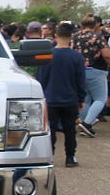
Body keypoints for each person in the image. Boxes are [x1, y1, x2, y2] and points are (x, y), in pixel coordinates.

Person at [37, 21, 86, 168]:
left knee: (50, 130)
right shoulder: (77, 57)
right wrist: (81, 98)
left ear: (56, 35)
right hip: (70, 98)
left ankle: (49, 155)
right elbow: (80, 80)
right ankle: (70, 157)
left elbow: (41, 78)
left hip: (50, 98)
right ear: (71, 36)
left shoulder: (46, 55)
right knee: (69, 129)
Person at [70, 15, 110, 137]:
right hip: (96, 70)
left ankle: (84, 122)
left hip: (79, 71)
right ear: (95, 25)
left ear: (81, 24)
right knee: (100, 98)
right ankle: (87, 124)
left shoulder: (75, 37)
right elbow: (107, 55)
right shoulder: (97, 37)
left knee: (85, 98)